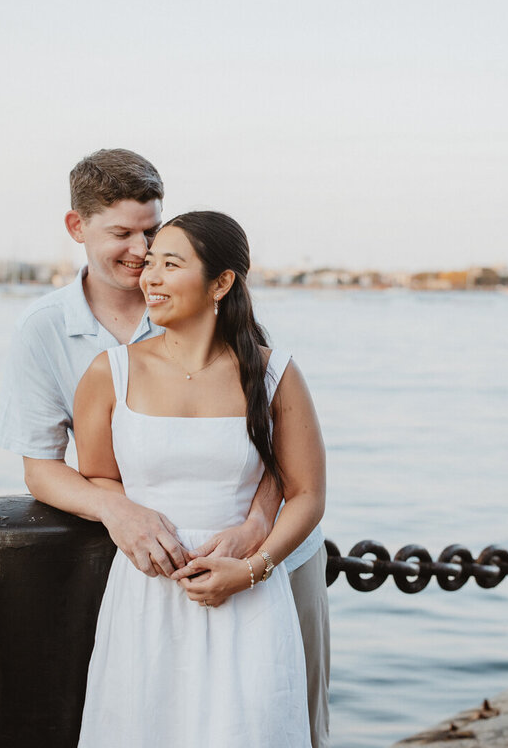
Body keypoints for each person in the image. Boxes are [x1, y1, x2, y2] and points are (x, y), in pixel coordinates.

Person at [0, 150, 330, 746]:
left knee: (282, 717)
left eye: (152, 234)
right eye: (121, 234)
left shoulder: (236, 333)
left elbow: (275, 452)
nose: (141, 254)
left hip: (271, 561)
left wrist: (256, 537)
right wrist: (120, 511)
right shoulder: (51, 333)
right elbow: (46, 469)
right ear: (78, 229)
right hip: (154, 578)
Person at [71, 211, 325, 746]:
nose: (150, 276)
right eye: (151, 264)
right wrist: (134, 523)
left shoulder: (275, 374)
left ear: (221, 282)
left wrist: (253, 568)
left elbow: (306, 495)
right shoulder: (109, 372)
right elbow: (97, 479)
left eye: (170, 263)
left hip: (248, 598)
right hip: (147, 598)